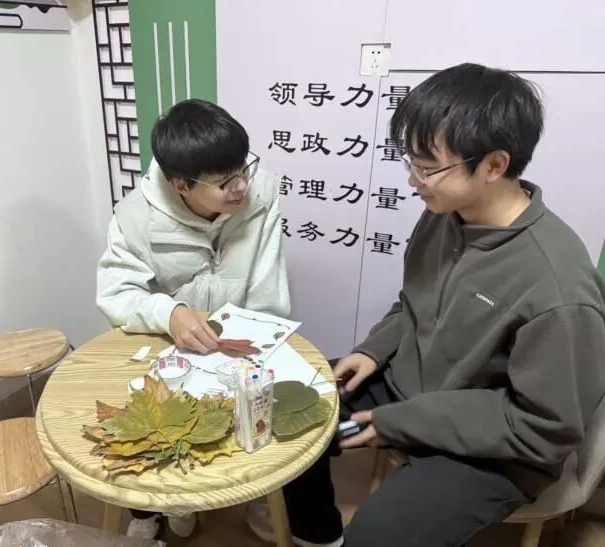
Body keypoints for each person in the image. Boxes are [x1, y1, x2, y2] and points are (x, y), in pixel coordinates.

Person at [247, 63, 605, 547]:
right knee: (284, 410)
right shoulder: (447, 213)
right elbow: (414, 302)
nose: (414, 181)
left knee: (377, 536)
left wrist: (401, 424)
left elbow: (544, 428)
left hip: (496, 449)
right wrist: (373, 351)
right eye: (410, 163)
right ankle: (317, 533)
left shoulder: (556, 289)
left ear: (494, 165)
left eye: (428, 168)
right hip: (407, 389)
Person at [97, 98, 290, 539]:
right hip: (167, 346)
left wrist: (256, 343)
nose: (241, 186)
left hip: (232, 347)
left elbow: (267, 286)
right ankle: (147, 511)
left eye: (244, 169)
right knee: (149, 425)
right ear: (181, 185)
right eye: (225, 182)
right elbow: (117, 295)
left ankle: (196, 498)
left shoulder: (260, 192)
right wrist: (169, 313)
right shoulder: (135, 217)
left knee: (236, 425)